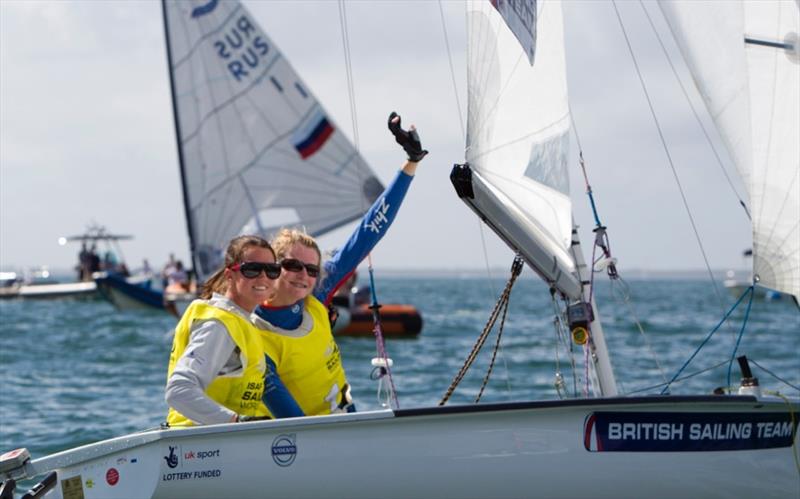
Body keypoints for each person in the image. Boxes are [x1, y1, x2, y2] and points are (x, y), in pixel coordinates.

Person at [252, 111, 427, 418]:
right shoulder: (252, 328)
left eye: (312, 269)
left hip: (344, 423)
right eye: (293, 265)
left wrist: (411, 163)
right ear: (273, 266)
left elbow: (370, 231)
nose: (304, 276)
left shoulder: (317, 295)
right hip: (294, 443)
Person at [164, 235, 282, 426]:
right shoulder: (219, 324)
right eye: (252, 270)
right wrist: (235, 421)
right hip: (201, 444)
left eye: (272, 270)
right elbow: (178, 391)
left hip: (222, 441)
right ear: (230, 275)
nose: (263, 277)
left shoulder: (241, 320)